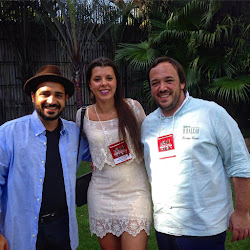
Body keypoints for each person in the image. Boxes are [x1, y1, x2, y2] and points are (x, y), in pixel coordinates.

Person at [141, 56, 250, 250]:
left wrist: (242, 212)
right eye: (155, 83)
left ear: (182, 83)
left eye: (169, 80)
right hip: (165, 226)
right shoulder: (148, 124)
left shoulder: (211, 113)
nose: (162, 88)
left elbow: (240, 163)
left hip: (205, 228)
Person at [0, 65, 91, 250]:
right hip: (22, 231)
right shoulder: (8, 134)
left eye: (58, 95)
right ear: (33, 96)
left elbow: (99, 155)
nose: (52, 100)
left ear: (66, 99)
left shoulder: (74, 133)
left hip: (63, 228)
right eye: (45, 94)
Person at [76, 57, 152, 250]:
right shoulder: (82, 115)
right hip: (101, 195)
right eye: (97, 79)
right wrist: (95, 158)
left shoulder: (133, 108)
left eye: (109, 78)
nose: (104, 84)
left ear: (116, 81)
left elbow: (149, 142)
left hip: (135, 194)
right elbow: (84, 149)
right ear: (89, 84)